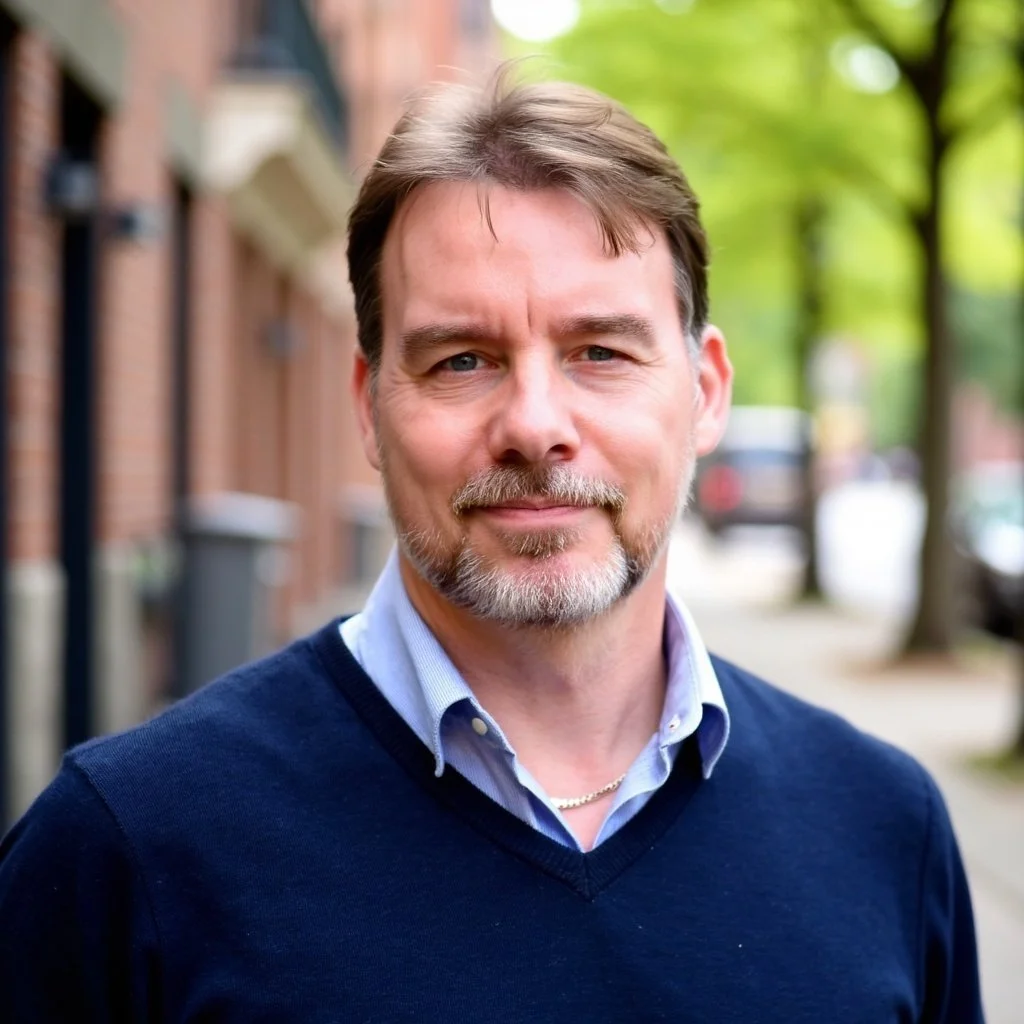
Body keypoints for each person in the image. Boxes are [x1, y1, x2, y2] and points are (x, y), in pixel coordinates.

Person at [0, 68, 982, 1023]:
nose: (534, 424)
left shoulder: (885, 830)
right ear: (368, 406)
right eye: (461, 359)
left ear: (706, 389)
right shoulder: (127, 852)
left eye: (600, 351)